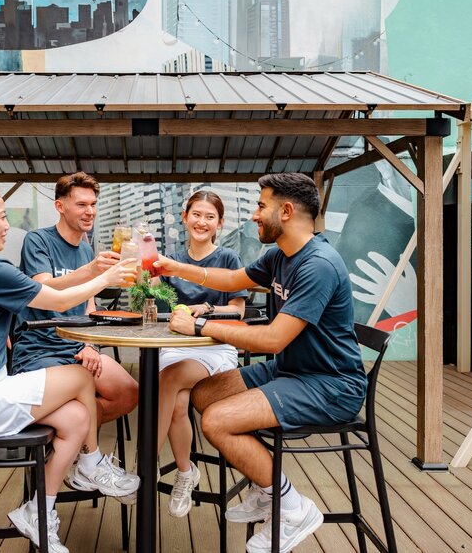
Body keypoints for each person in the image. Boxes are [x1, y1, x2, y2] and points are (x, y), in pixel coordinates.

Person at [0, 180, 140, 553]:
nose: (6, 225)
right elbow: (59, 302)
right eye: (1, 217)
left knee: (78, 419)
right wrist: (105, 278)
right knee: (83, 376)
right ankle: (92, 464)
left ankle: (39, 510)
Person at [155, 173, 366, 553]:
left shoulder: (317, 264)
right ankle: (264, 487)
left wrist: (201, 325)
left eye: (260, 204)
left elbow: (272, 338)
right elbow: (234, 277)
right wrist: (173, 267)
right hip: (292, 370)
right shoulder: (281, 254)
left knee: (216, 421)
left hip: (330, 385)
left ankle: (291, 506)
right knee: (205, 393)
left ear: (285, 211)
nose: (254, 215)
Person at [11, 172, 140, 492]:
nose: (90, 211)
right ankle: (84, 454)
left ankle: (74, 444)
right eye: (81, 204)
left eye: (93, 204)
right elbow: (40, 288)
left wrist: (91, 345)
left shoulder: (86, 248)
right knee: (78, 406)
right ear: (60, 206)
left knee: (129, 392)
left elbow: (89, 306)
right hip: (39, 346)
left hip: (75, 347)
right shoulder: (38, 240)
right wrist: (92, 272)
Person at [156, 190, 248, 517]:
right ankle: (186, 473)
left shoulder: (227, 260)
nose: (202, 221)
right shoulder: (169, 261)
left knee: (168, 378)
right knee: (178, 402)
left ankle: (145, 465)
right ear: (185, 217)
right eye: (196, 214)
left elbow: (238, 310)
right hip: (175, 345)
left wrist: (207, 308)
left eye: (210, 217)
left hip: (214, 347)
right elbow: (153, 307)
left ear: (219, 223)